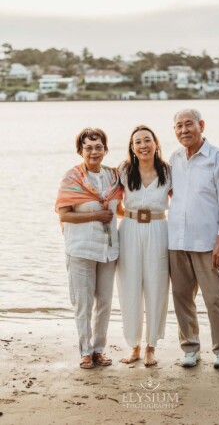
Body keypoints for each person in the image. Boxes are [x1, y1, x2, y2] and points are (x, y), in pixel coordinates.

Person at [168, 109, 219, 369]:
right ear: (174, 130)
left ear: (201, 125)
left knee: (215, 298)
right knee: (182, 297)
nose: (184, 130)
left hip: (208, 242)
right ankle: (190, 348)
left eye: (189, 124)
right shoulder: (173, 159)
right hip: (176, 241)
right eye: (178, 126)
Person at [55, 128, 123, 369]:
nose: (94, 152)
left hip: (108, 250)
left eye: (98, 147)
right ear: (80, 150)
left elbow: (124, 206)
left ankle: (99, 350)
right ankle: (85, 351)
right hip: (81, 249)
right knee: (83, 303)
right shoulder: (71, 178)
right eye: (88, 147)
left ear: (105, 149)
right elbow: (64, 215)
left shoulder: (114, 177)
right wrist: (96, 215)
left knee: (104, 303)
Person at [117, 125, 171, 367]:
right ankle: (134, 346)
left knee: (157, 287)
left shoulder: (168, 171)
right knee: (129, 287)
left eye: (147, 140)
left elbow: (179, 202)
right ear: (132, 147)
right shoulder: (124, 170)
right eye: (137, 142)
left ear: (155, 143)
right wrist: (129, 217)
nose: (143, 145)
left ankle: (151, 346)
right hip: (129, 230)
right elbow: (112, 203)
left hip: (159, 230)